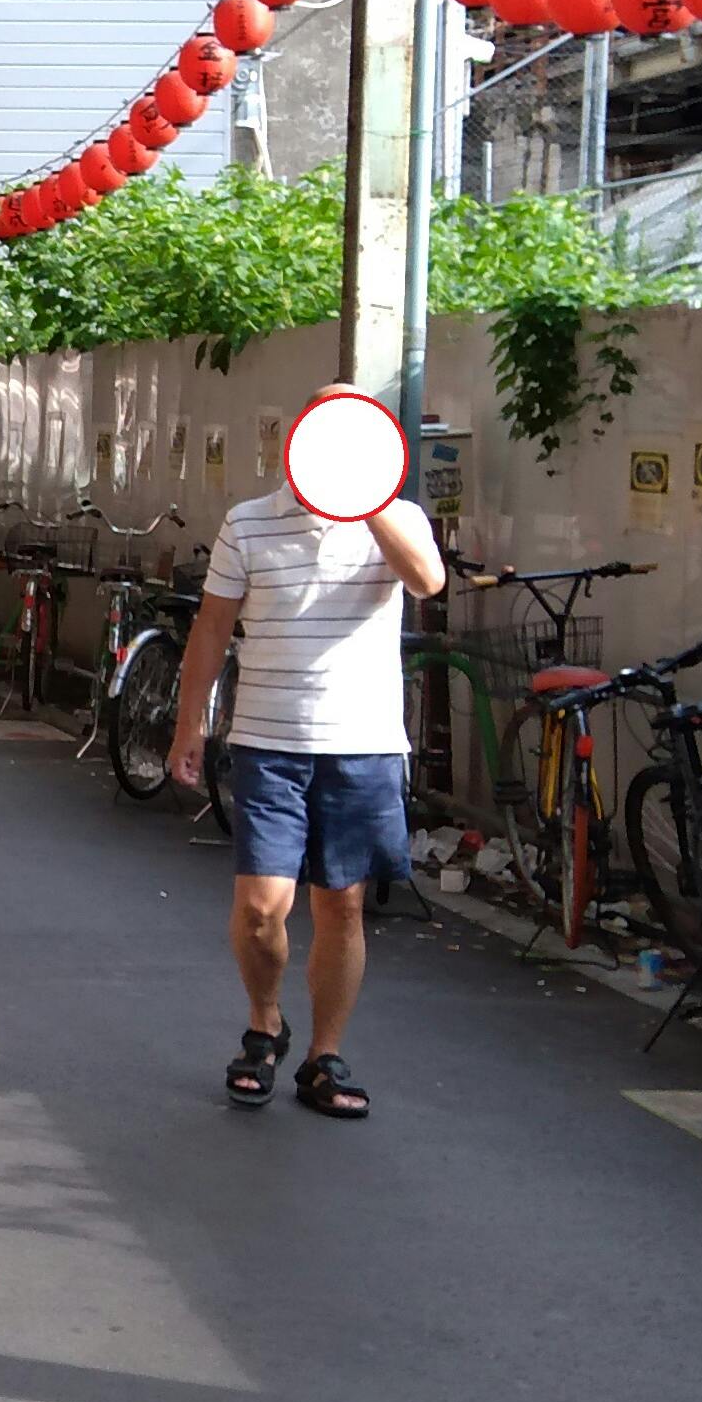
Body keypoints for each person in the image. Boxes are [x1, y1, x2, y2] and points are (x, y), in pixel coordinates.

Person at [166, 385, 448, 1121]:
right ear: (299, 437)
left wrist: (373, 498)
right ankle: (266, 1023)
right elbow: (211, 628)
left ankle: (324, 1054)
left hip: (363, 745)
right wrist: (188, 722)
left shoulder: (399, 518)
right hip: (269, 739)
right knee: (262, 908)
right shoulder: (250, 521)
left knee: (343, 907)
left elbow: (428, 580)